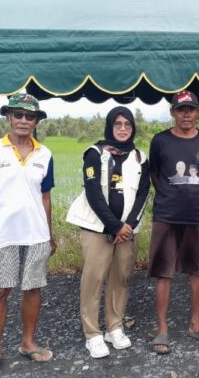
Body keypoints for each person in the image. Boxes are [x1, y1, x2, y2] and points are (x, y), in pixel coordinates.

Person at [0, 93, 55, 376]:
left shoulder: (45, 154)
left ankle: (28, 342)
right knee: (0, 291)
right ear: (8, 118)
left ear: (36, 121)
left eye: (30, 116)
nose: (24, 120)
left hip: (36, 234)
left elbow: (45, 198)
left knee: (32, 288)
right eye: (18, 115)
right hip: (0, 234)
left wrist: (50, 235)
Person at [65, 107, 151, 358]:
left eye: (128, 124)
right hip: (97, 228)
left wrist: (130, 225)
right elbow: (93, 193)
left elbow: (144, 193)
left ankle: (115, 327)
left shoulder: (140, 158)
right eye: (118, 124)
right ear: (110, 127)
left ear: (133, 128)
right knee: (94, 279)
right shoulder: (94, 154)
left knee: (120, 278)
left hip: (127, 230)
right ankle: (92, 334)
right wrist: (114, 226)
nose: (123, 128)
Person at [147, 90, 199, 354]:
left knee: (197, 271)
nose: (186, 114)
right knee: (163, 272)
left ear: (198, 111)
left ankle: (194, 324)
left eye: (191, 109)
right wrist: (172, 196)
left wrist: (195, 197)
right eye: (181, 110)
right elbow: (155, 176)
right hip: (166, 216)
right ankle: (162, 330)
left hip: (197, 216)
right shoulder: (159, 141)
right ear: (172, 113)